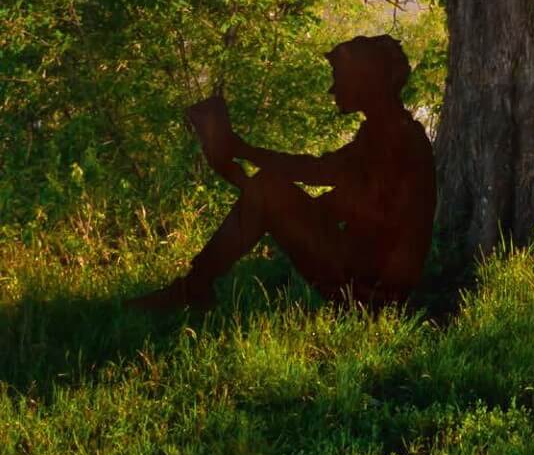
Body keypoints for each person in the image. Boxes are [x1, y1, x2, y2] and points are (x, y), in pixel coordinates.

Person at [129, 35, 436, 310]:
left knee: (267, 188)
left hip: (373, 292)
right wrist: (249, 185)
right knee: (267, 188)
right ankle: (194, 287)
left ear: (366, 82)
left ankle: (193, 288)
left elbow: (319, 173)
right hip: (374, 282)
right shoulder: (392, 131)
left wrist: (243, 154)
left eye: (339, 78)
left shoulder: (390, 137)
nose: (333, 89)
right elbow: (345, 197)